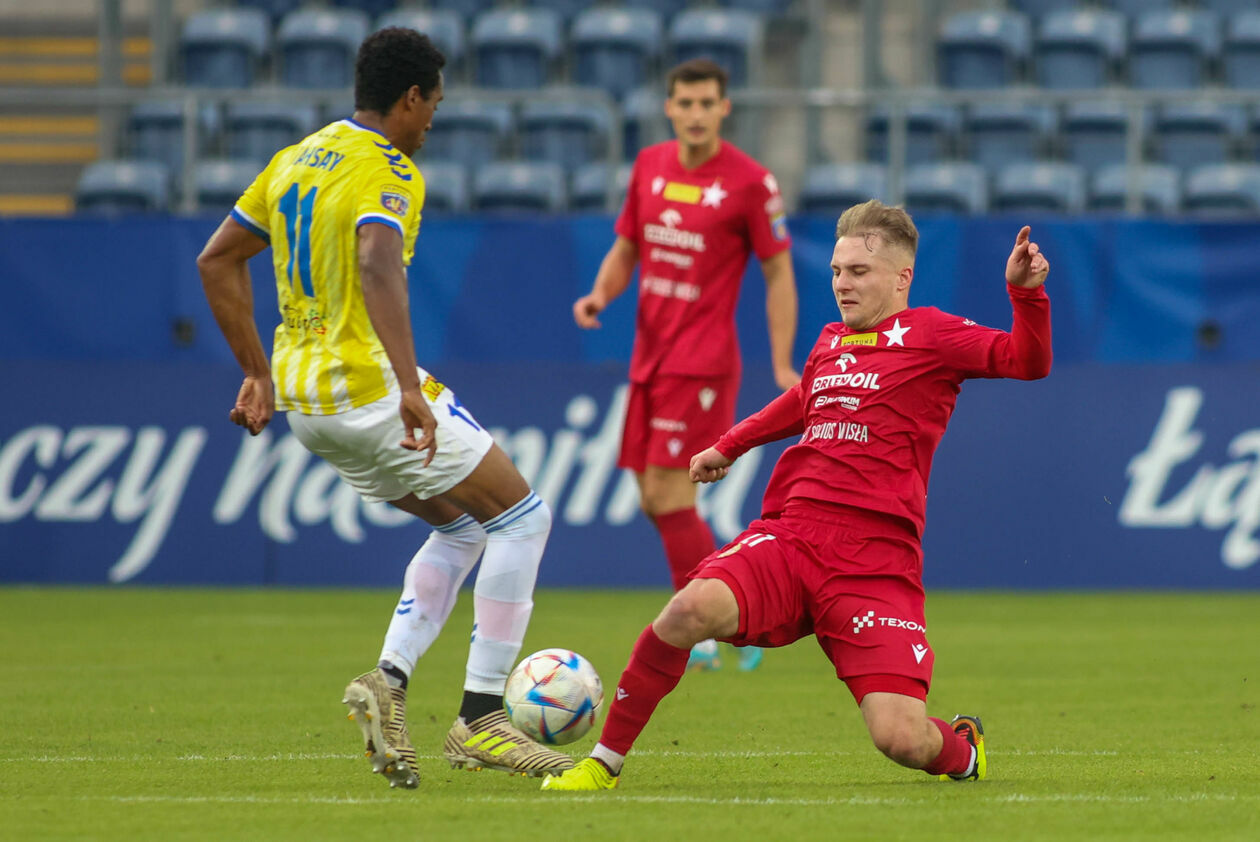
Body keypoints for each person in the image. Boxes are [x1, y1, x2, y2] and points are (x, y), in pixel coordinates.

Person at [542, 200, 1053, 791]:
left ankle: (963, 751)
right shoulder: (832, 339)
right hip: (792, 535)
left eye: (859, 272)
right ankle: (602, 764)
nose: (842, 283)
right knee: (686, 611)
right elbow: (802, 400)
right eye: (837, 271)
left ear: (901, 276)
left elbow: (1028, 360)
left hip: (875, 562)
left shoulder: (932, 334)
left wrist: (1025, 295)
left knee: (902, 739)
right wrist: (728, 446)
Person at [196, 27, 573, 790]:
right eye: (432, 103)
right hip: (367, 388)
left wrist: (256, 373)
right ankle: (481, 719)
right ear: (410, 98)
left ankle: (390, 683)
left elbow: (218, 258)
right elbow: (375, 259)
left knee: (466, 528)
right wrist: (407, 383)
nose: (432, 119)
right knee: (523, 519)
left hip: (307, 404)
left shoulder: (296, 157)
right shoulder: (389, 170)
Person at [573, 58, 801, 673]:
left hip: (700, 363)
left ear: (725, 108)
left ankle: (712, 625)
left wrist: (781, 360)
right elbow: (627, 246)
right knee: (653, 496)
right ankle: (739, 605)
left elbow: (778, 270)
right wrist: (600, 295)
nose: (696, 114)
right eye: (685, 103)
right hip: (650, 357)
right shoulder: (649, 167)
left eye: (707, 103)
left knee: (671, 492)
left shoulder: (752, 182)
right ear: (669, 107)